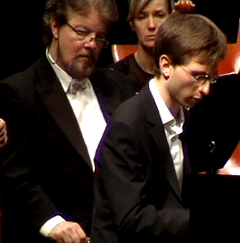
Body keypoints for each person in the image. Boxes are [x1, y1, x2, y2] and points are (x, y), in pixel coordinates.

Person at [0, 0, 135, 242]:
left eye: (100, 37)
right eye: (82, 33)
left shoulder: (119, 85)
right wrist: (53, 224)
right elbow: (15, 176)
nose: (91, 45)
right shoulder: (19, 91)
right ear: (55, 26)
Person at [91, 12, 227, 241]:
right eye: (198, 76)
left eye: (210, 79)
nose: (206, 89)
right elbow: (132, 219)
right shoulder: (128, 125)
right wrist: (202, 219)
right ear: (166, 65)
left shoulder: (187, 116)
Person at [113, 0, 173, 93]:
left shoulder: (181, 71)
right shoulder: (117, 75)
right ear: (132, 24)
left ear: (171, 20)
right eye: (142, 17)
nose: (151, 25)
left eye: (159, 16)